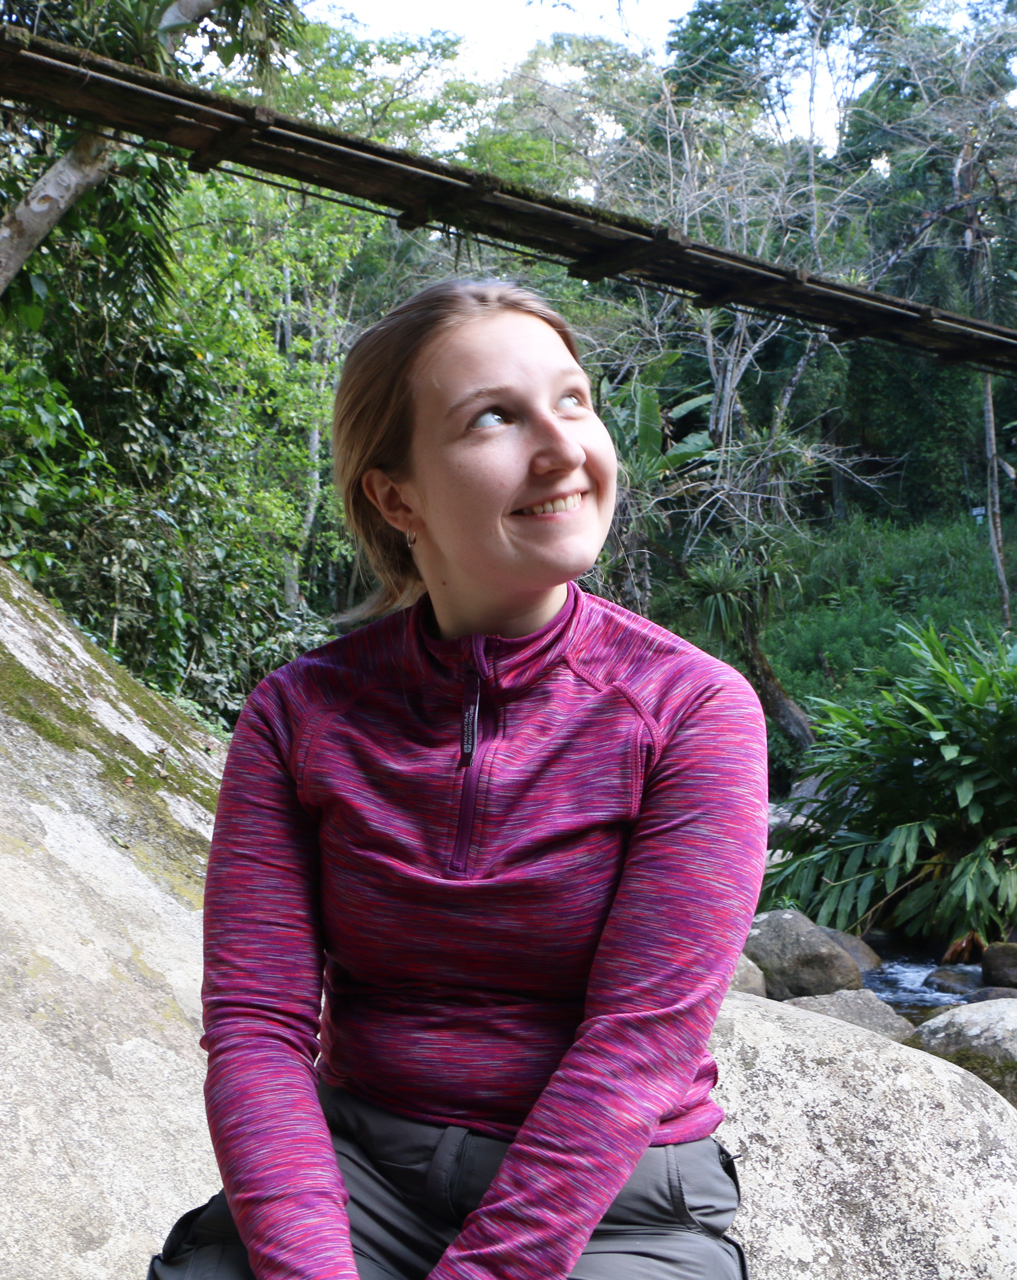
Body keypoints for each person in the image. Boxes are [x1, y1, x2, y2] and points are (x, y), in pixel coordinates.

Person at [171, 280, 769, 1280]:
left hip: (613, 1202)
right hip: (358, 1169)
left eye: (573, 401)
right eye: (495, 416)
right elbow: (258, 1028)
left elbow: (637, 1045)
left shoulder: (691, 708)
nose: (562, 447)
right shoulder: (299, 715)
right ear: (395, 494)